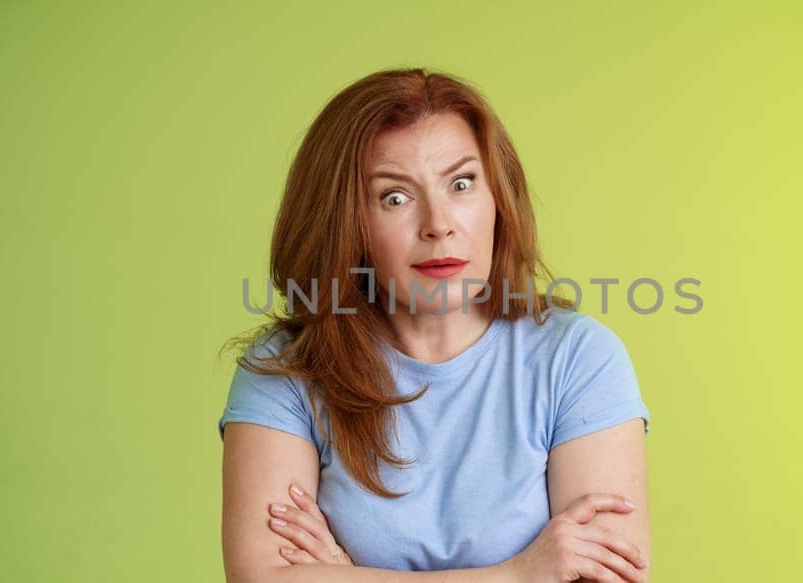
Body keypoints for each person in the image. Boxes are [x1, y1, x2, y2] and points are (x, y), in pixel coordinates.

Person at [219, 67, 652, 582]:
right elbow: (263, 578)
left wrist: (347, 573)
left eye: (462, 183)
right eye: (394, 197)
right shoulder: (286, 368)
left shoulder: (578, 358)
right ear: (344, 223)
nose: (439, 224)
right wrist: (517, 575)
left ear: (499, 199)